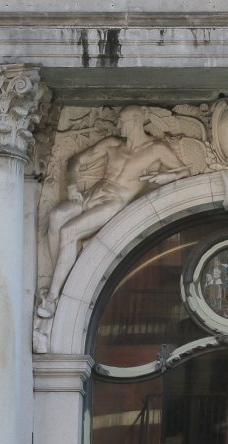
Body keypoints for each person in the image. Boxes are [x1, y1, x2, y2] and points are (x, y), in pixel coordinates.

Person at [37, 106, 191, 318]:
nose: (119, 126)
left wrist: (166, 177)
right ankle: (65, 277)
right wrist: (72, 185)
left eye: (123, 121)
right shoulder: (113, 144)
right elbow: (76, 160)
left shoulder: (156, 149)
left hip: (114, 202)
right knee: (56, 216)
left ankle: (53, 298)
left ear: (137, 120)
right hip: (92, 194)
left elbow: (184, 170)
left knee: (69, 232)